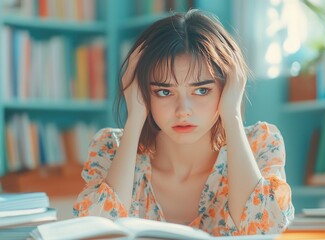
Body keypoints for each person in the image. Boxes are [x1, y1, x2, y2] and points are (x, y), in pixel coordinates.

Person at [73, 9, 294, 236]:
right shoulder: (110, 147)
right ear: (143, 92)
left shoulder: (260, 144)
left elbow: (262, 230)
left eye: (201, 90)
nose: (183, 111)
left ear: (228, 87)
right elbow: (96, 232)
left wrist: (232, 115)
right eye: (164, 92)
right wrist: (135, 118)